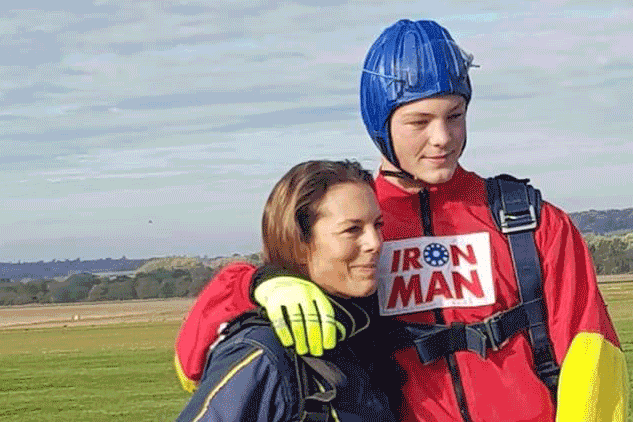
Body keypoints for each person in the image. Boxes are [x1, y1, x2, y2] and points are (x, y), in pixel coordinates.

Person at [175, 20, 628, 421]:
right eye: (419, 121)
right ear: (381, 123)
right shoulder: (353, 227)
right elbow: (193, 362)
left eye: (455, 116)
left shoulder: (531, 221)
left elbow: (593, 360)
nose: (442, 138)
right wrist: (258, 283)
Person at [175, 160, 396, 422]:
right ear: (299, 244)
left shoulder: (355, 333)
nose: (375, 243)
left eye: (378, 225)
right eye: (352, 230)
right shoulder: (263, 351)